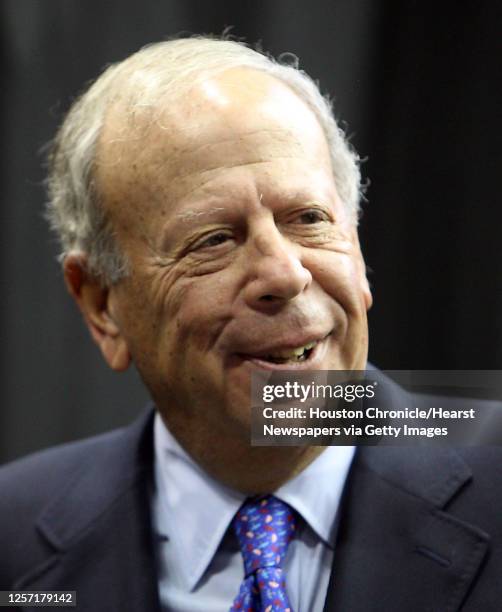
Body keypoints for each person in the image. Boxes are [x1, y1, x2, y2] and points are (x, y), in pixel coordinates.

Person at [1, 36, 501, 612]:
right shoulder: (13, 544)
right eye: (212, 239)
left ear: (358, 253)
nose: (285, 274)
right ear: (100, 306)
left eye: (309, 219)